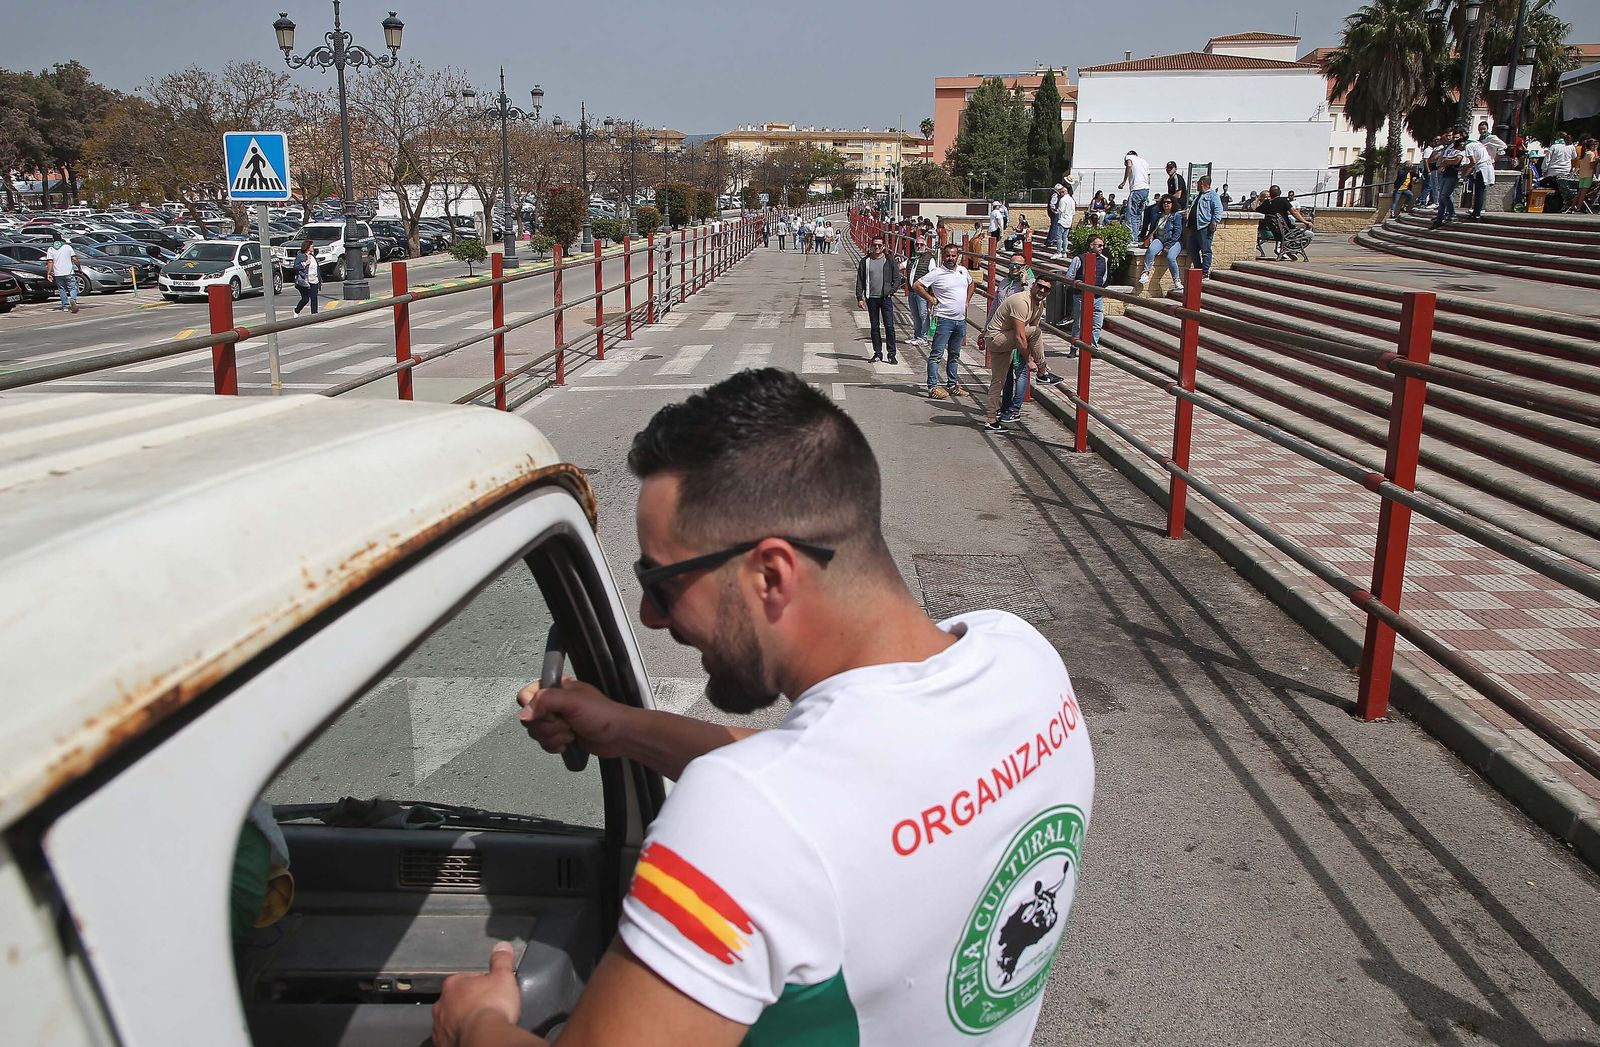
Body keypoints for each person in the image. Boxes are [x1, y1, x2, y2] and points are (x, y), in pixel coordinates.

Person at [431, 368, 1095, 1047]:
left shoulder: (745, 825)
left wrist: (476, 1021)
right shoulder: (1024, 660)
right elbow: (838, 793)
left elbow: (789, 810)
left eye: (660, 582)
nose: (650, 617)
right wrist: (627, 727)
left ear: (771, 575)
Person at [983, 275, 1053, 431]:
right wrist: (1030, 361)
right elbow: (1021, 335)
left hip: (1002, 338)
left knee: (998, 380)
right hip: (997, 337)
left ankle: (991, 420)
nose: (1042, 290)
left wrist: (1031, 355)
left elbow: (1031, 339)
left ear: (1049, 292)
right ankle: (1042, 373)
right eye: (1040, 286)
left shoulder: (1039, 305)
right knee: (1036, 331)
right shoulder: (1021, 301)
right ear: (1033, 285)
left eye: (1046, 289)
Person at [914, 241, 976, 399]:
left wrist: (967, 301)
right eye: (947, 255)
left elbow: (972, 284)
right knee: (936, 354)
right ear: (942, 256)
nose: (950, 258)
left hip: (960, 320)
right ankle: (933, 387)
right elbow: (917, 285)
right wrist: (930, 298)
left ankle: (953, 384)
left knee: (954, 355)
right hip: (943, 320)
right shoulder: (936, 273)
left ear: (958, 256)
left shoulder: (963, 271)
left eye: (953, 255)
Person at [855, 234, 901, 364]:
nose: (877, 247)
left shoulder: (889, 260)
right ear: (870, 246)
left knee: (889, 326)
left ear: (884, 247)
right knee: (874, 326)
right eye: (874, 245)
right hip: (871, 298)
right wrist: (860, 297)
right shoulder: (865, 261)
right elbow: (860, 280)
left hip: (885, 298)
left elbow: (897, 279)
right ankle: (877, 353)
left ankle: (891, 354)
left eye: (879, 245)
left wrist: (891, 291)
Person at [1063, 233, 1109, 348]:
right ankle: (1074, 347)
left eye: (1102, 245)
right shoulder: (1079, 259)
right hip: (1080, 296)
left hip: (1097, 297)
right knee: (1078, 323)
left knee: (1097, 323)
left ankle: (1093, 347)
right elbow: (1069, 276)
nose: (1101, 248)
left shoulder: (1104, 260)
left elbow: (1104, 278)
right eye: (1099, 245)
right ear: (1091, 245)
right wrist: (1079, 285)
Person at [1137, 196, 1185, 291]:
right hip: (1160, 239)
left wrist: (1168, 245)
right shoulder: (1158, 215)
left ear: (1173, 204)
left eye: (1168, 202)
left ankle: (1176, 280)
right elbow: (1153, 229)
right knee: (1151, 250)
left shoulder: (1176, 216)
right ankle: (1146, 272)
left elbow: (1177, 233)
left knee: (1170, 257)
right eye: (1164, 202)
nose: (1166, 204)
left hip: (1174, 241)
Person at [903, 231, 935, 346]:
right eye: (917, 244)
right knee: (915, 315)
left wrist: (931, 294)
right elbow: (901, 266)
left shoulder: (930, 259)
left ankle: (924, 337)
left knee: (923, 314)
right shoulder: (912, 258)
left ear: (925, 246)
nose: (919, 246)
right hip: (912, 291)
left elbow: (933, 275)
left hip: (923, 292)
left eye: (921, 245)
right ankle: (917, 336)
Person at [1188, 175, 1223, 277]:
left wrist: (1214, 222)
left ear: (1203, 183)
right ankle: (1198, 269)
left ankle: (1204, 272)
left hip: (1204, 227)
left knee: (1205, 250)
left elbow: (1218, 210)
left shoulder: (1213, 195)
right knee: (1192, 249)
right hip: (1194, 228)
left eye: (1198, 182)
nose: (1197, 184)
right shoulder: (1198, 196)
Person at [1431, 130, 1466, 228]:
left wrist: (1447, 162)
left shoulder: (1462, 148)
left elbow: (1456, 161)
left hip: (1453, 175)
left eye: (1457, 138)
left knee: (1444, 195)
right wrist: (1444, 163)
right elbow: (1444, 159)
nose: (1455, 139)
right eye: (1453, 137)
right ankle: (1439, 219)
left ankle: (1452, 214)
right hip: (1445, 173)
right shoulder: (1449, 147)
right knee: (1441, 198)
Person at [1118, 149, 1151, 239]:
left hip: (1136, 189)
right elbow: (1148, 177)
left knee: (1131, 214)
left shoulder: (1129, 157)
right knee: (1138, 215)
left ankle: (1132, 238)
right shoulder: (1144, 162)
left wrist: (1124, 182)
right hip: (1145, 189)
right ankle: (1136, 237)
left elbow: (1129, 165)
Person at [1463, 132, 1496, 220]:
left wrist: (1464, 171)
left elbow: (1472, 162)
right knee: (1480, 191)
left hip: (1482, 168)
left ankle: (1476, 214)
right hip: (1488, 166)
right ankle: (1476, 212)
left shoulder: (1468, 146)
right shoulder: (1479, 144)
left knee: (1479, 192)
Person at [45, 233, 80, 313]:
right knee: (73, 288)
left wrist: (49, 273)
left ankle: (65, 306)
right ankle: (73, 299)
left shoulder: (51, 249)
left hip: (58, 273)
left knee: (62, 290)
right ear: (61, 239)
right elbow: (74, 259)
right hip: (69, 272)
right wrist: (79, 267)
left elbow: (50, 262)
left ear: (53, 239)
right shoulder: (67, 247)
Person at [1046, 181, 1075, 257]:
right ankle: (1064, 252)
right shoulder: (1072, 200)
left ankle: (1058, 252)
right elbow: (1073, 212)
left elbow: (1060, 210)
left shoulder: (1063, 200)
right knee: (1065, 237)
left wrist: (1055, 211)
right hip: (1069, 220)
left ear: (1063, 192)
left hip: (1062, 220)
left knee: (1059, 237)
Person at [292, 239, 321, 315]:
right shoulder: (300, 256)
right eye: (312, 246)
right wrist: (305, 263)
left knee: (314, 298)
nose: (313, 247)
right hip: (304, 280)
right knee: (305, 299)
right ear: (307, 247)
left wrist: (320, 280)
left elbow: (317, 268)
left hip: (314, 280)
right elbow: (296, 267)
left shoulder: (313, 256)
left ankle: (314, 315)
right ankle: (296, 310)